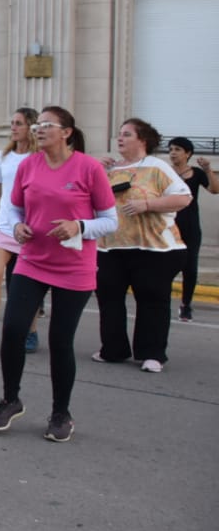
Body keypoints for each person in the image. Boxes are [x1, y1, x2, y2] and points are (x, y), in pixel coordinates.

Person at [0, 106, 117, 441]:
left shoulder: (88, 168)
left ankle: (61, 413)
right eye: (38, 124)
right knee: (14, 329)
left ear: (67, 132)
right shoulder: (29, 164)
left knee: (60, 341)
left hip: (74, 267)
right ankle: (10, 399)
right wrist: (17, 226)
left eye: (47, 125)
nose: (39, 129)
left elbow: (110, 219)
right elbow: (14, 206)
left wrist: (80, 225)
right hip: (33, 259)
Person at [93, 118, 191, 373]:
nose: (120, 139)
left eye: (127, 134)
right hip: (111, 247)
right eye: (119, 134)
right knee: (108, 298)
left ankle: (152, 354)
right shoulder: (110, 170)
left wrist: (147, 205)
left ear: (142, 140)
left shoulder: (158, 167)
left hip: (154, 249)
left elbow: (183, 197)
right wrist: (95, 169)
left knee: (152, 299)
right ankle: (113, 350)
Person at [0, 108, 40, 353]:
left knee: (24, 286)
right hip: (4, 225)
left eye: (19, 123)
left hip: (30, 228)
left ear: (31, 127)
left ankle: (31, 331)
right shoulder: (3, 157)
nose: (13, 128)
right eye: (12, 123)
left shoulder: (39, 158)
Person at [166, 137, 217, 321]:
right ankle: (160, 300)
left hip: (190, 227)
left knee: (190, 268)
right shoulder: (164, 172)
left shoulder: (196, 173)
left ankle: (186, 304)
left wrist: (208, 170)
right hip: (168, 226)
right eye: (171, 149)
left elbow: (214, 189)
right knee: (166, 265)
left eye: (177, 149)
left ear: (188, 153)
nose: (173, 152)